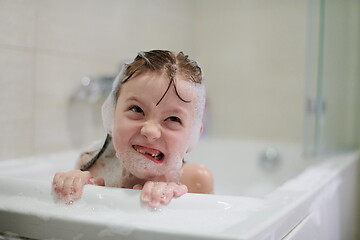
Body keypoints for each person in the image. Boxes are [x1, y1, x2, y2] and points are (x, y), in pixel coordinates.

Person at [53, 50, 214, 209]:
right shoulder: (91, 166)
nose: (150, 131)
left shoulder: (195, 181)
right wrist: (71, 188)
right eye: (137, 109)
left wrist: (178, 206)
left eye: (173, 119)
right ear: (112, 113)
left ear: (194, 134)